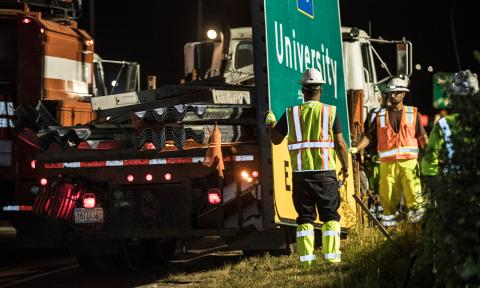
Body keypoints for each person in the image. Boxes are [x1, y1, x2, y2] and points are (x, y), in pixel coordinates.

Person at [265, 67, 349, 266]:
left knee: (304, 218)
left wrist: (270, 124)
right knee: (330, 216)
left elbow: (275, 140)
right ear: (320, 90)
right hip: (325, 173)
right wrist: (345, 167)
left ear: (303, 91)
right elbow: (341, 144)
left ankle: (306, 261)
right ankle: (332, 258)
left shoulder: (291, 113)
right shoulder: (330, 111)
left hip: (301, 175)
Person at [350, 75, 428, 225]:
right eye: (390, 93)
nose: (392, 95)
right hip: (387, 166)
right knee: (388, 202)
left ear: (403, 94)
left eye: (396, 92)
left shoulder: (413, 114)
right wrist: (355, 148)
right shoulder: (380, 116)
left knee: (415, 199)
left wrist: (431, 156)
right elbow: (369, 137)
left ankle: (416, 233)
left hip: (409, 165)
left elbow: (423, 138)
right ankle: (390, 238)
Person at [421, 70, 479, 177]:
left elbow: (430, 161)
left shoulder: (444, 124)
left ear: (454, 98)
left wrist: (433, 182)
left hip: (452, 186)